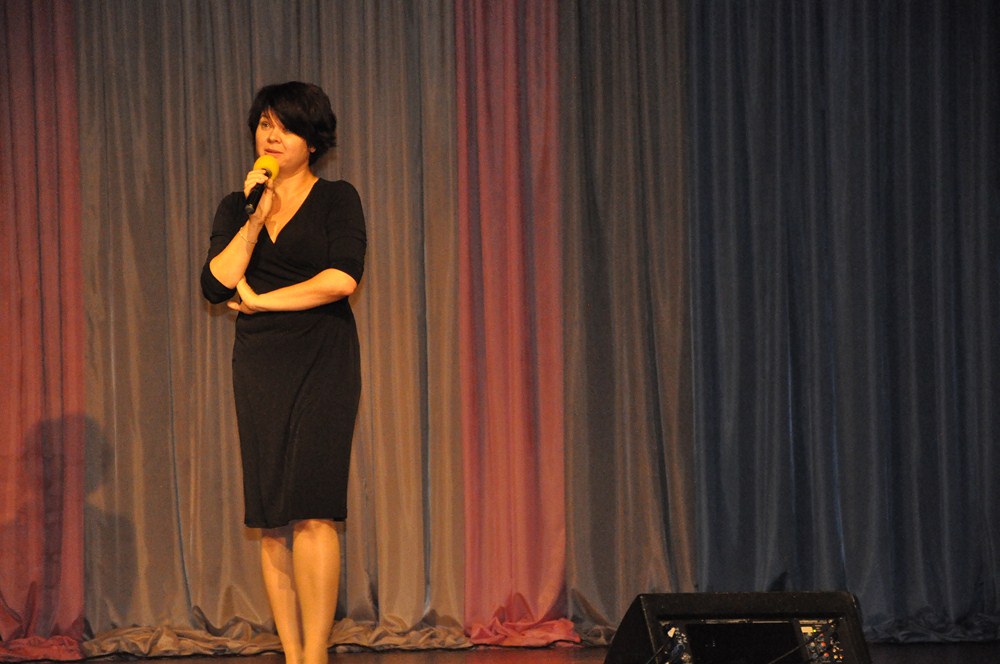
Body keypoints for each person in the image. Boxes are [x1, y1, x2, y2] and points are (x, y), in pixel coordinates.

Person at [200, 81, 366, 664]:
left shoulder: (337, 198)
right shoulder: (237, 205)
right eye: (264, 124)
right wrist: (253, 221)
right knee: (271, 514)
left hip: (323, 358)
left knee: (314, 505)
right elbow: (216, 284)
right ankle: (293, 655)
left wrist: (263, 301)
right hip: (260, 364)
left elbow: (341, 279)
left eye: (286, 126)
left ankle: (316, 655)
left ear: (312, 141)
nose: (271, 135)